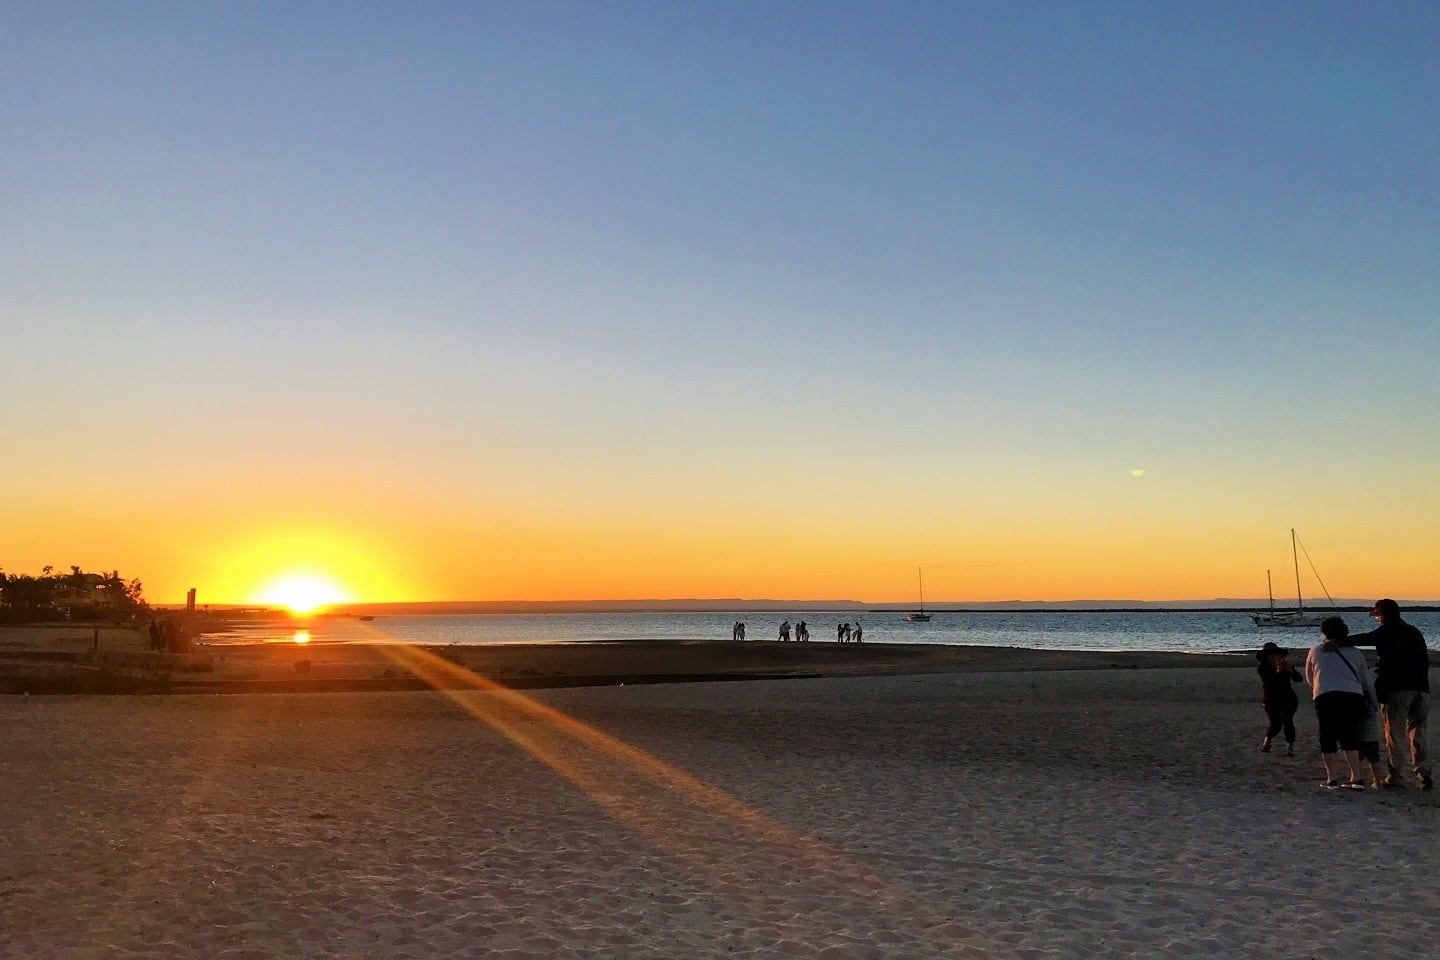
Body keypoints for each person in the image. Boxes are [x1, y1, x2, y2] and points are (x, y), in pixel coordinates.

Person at [1343, 599, 1432, 790]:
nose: (1377, 619)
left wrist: (1339, 640)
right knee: (1419, 731)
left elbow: (1365, 639)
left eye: (1377, 616)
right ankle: (1424, 774)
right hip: (1422, 689)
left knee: (1395, 732)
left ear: (1382, 615)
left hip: (1398, 688)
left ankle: (1396, 777)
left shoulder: (1388, 630)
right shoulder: (1414, 632)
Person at [1303, 617, 1374, 790]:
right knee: (1350, 736)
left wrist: (1319, 688)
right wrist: (1372, 698)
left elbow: (1310, 677)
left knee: (1327, 736)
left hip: (1325, 695)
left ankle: (1331, 778)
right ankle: (1356, 777)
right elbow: (1365, 680)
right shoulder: (1355, 653)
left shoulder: (1315, 651)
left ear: (1324, 633)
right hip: (1352, 696)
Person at [1256, 641, 1302, 756]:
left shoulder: (1286, 664)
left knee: (1288, 720)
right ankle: (1267, 742)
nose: (1274, 657)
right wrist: (1278, 671)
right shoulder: (1263, 667)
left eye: (1276, 654)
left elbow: (1298, 679)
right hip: (1271, 699)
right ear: (1266, 657)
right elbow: (1269, 681)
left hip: (1288, 697)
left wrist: (1291, 671)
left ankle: (1290, 748)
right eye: (1270, 655)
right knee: (1275, 724)